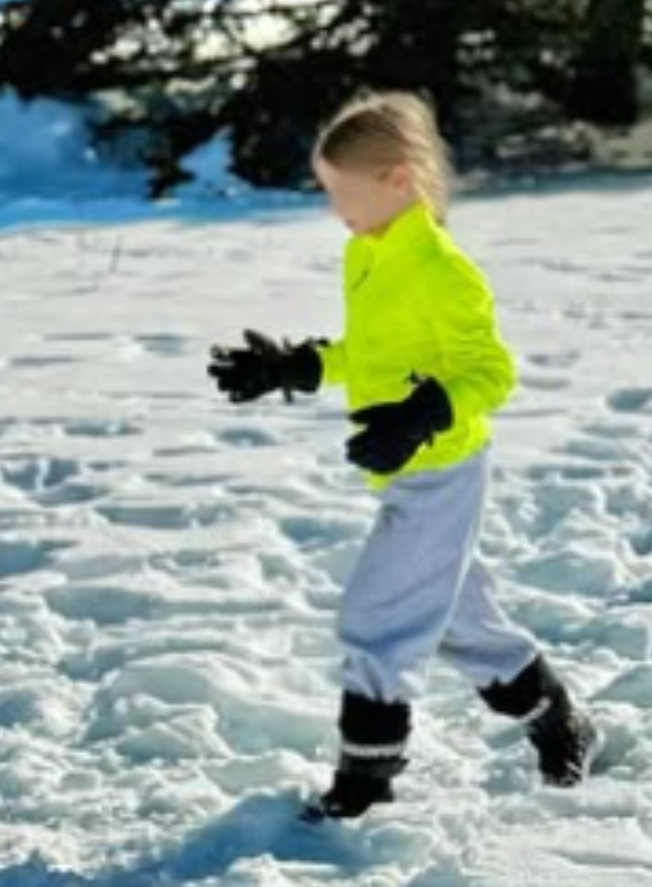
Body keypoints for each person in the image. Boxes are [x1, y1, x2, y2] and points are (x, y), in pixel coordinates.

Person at [207, 90, 597, 821]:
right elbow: (371, 355)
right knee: (459, 620)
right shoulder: (370, 253)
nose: (334, 212)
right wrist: (296, 368)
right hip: (408, 468)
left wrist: (422, 415)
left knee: (379, 618)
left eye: (340, 194)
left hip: (443, 469)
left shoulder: (443, 270)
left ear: (395, 181)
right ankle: (558, 718)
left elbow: (492, 371)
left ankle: (364, 785)